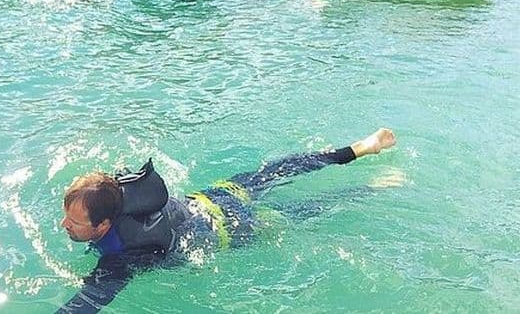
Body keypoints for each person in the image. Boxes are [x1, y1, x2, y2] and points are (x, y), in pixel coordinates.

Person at [58, 128, 397, 312]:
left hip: (233, 227)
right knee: (274, 171)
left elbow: (84, 306)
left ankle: (369, 187)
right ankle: (358, 149)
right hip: (214, 196)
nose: (64, 225)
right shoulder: (118, 191)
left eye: (74, 222)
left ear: (103, 227)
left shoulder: (121, 257)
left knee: (302, 212)